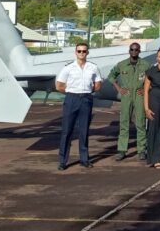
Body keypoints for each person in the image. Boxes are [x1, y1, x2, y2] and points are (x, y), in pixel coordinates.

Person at [55, 42, 102, 170]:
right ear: (75, 52)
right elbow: (59, 86)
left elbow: (98, 85)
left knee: (84, 130)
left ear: (88, 53)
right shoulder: (68, 68)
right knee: (67, 131)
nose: (82, 53)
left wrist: (86, 92)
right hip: (72, 98)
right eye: (79, 51)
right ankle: (62, 161)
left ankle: (84, 159)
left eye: (84, 51)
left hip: (86, 99)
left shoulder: (93, 67)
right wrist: (71, 92)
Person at [107, 42, 148, 161]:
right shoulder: (122, 64)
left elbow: (152, 79)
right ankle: (122, 150)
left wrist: (146, 90)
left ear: (139, 51)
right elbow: (111, 76)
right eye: (132, 49)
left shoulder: (146, 65)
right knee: (124, 123)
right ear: (129, 51)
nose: (134, 52)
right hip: (126, 95)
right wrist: (119, 88)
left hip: (139, 96)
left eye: (136, 50)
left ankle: (141, 150)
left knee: (140, 123)